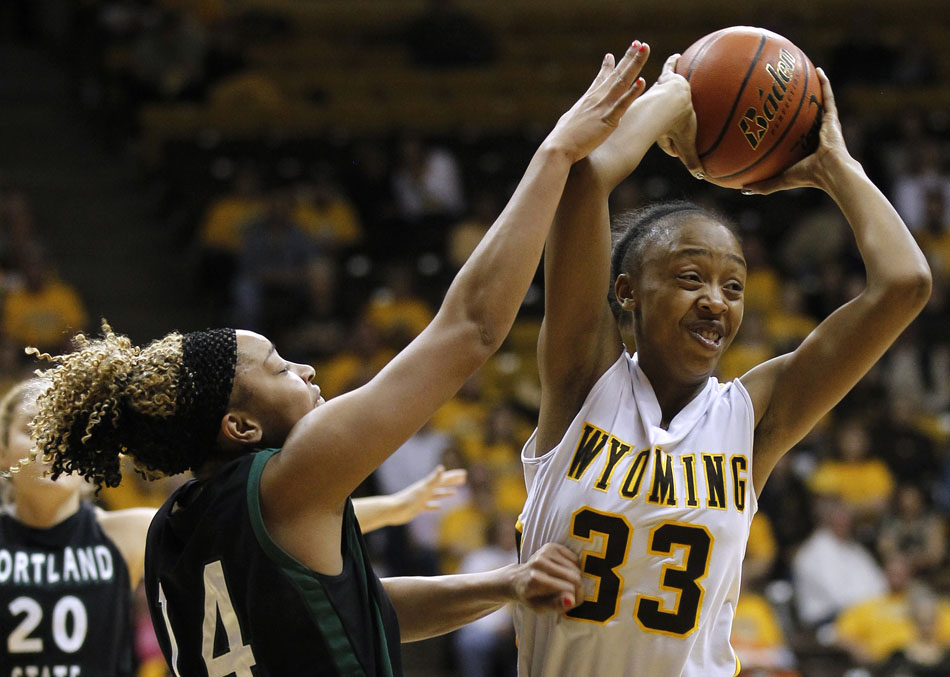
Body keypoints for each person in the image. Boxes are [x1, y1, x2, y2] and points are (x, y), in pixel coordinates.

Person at [22, 42, 652, 676]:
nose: (307, 371)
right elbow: (472, 329)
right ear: (239, 427)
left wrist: (507, 586)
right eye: (277, 367)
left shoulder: (173, 533)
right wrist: (556, 153)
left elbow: (361, 609)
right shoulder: (287, 479)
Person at [514, 45, 932, 676]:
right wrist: (671, 101)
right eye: (690, 277)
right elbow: (585, 179)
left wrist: (835, 167)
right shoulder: (581, 381)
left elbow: (905, 284)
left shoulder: (751, 418)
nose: (715, 301)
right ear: (626, 292)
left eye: (733, 286)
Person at [0, 378, 154, 677]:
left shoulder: (133, 533)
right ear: (2, 451)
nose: (50, 442)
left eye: (68, 429)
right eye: (32, 428)